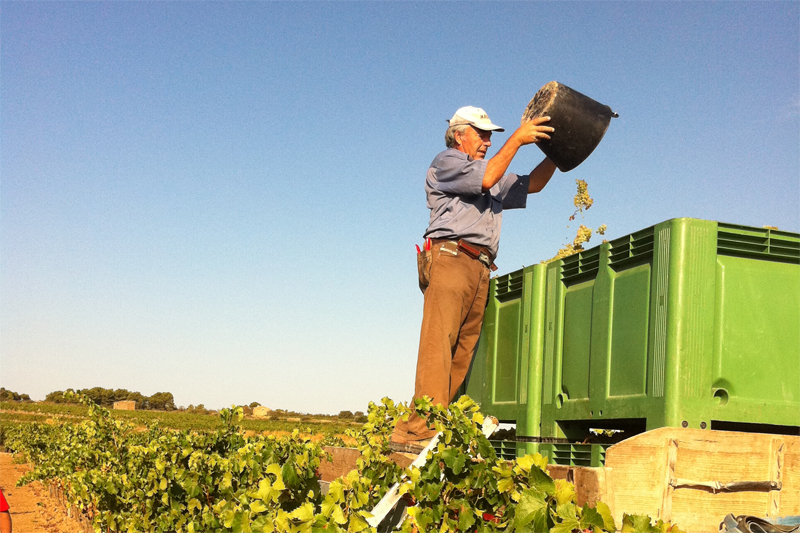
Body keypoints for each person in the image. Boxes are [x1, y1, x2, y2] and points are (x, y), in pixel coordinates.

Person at [391, 106, 557, 452]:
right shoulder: (447, 162)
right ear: (458, 134)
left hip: (480, 267)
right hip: (451, 257)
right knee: (440, 343)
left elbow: (535, 184)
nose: (487, 140)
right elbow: (485, 177)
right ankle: (418, 428)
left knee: (462, 353)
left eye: (491, 135)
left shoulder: (493, 174)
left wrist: (558, 153)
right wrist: (517, 139)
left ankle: (432, 425)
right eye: (481, 134)